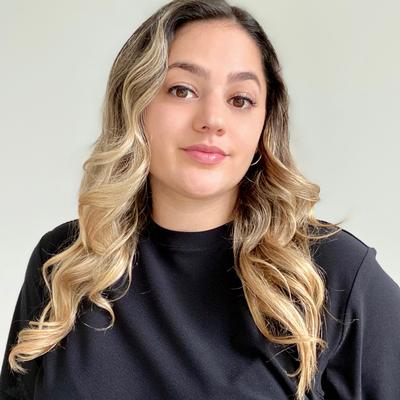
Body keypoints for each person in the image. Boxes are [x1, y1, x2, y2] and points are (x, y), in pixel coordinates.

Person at [1, 0, 399, 399]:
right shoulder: (64, 264)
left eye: (240, 99)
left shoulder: (332, 274)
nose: (212, 119)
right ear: (135, 104)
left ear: (264, 124)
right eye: (182, 90)